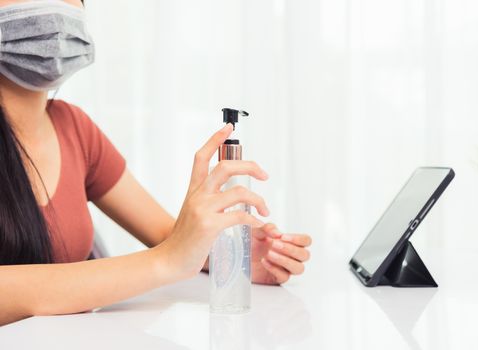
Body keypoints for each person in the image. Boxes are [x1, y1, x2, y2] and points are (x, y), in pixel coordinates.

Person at [0, 0, 311, 326]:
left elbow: (166, 233)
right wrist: (167, 261)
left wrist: (229, 257)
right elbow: (170, 251)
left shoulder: (73, 127)